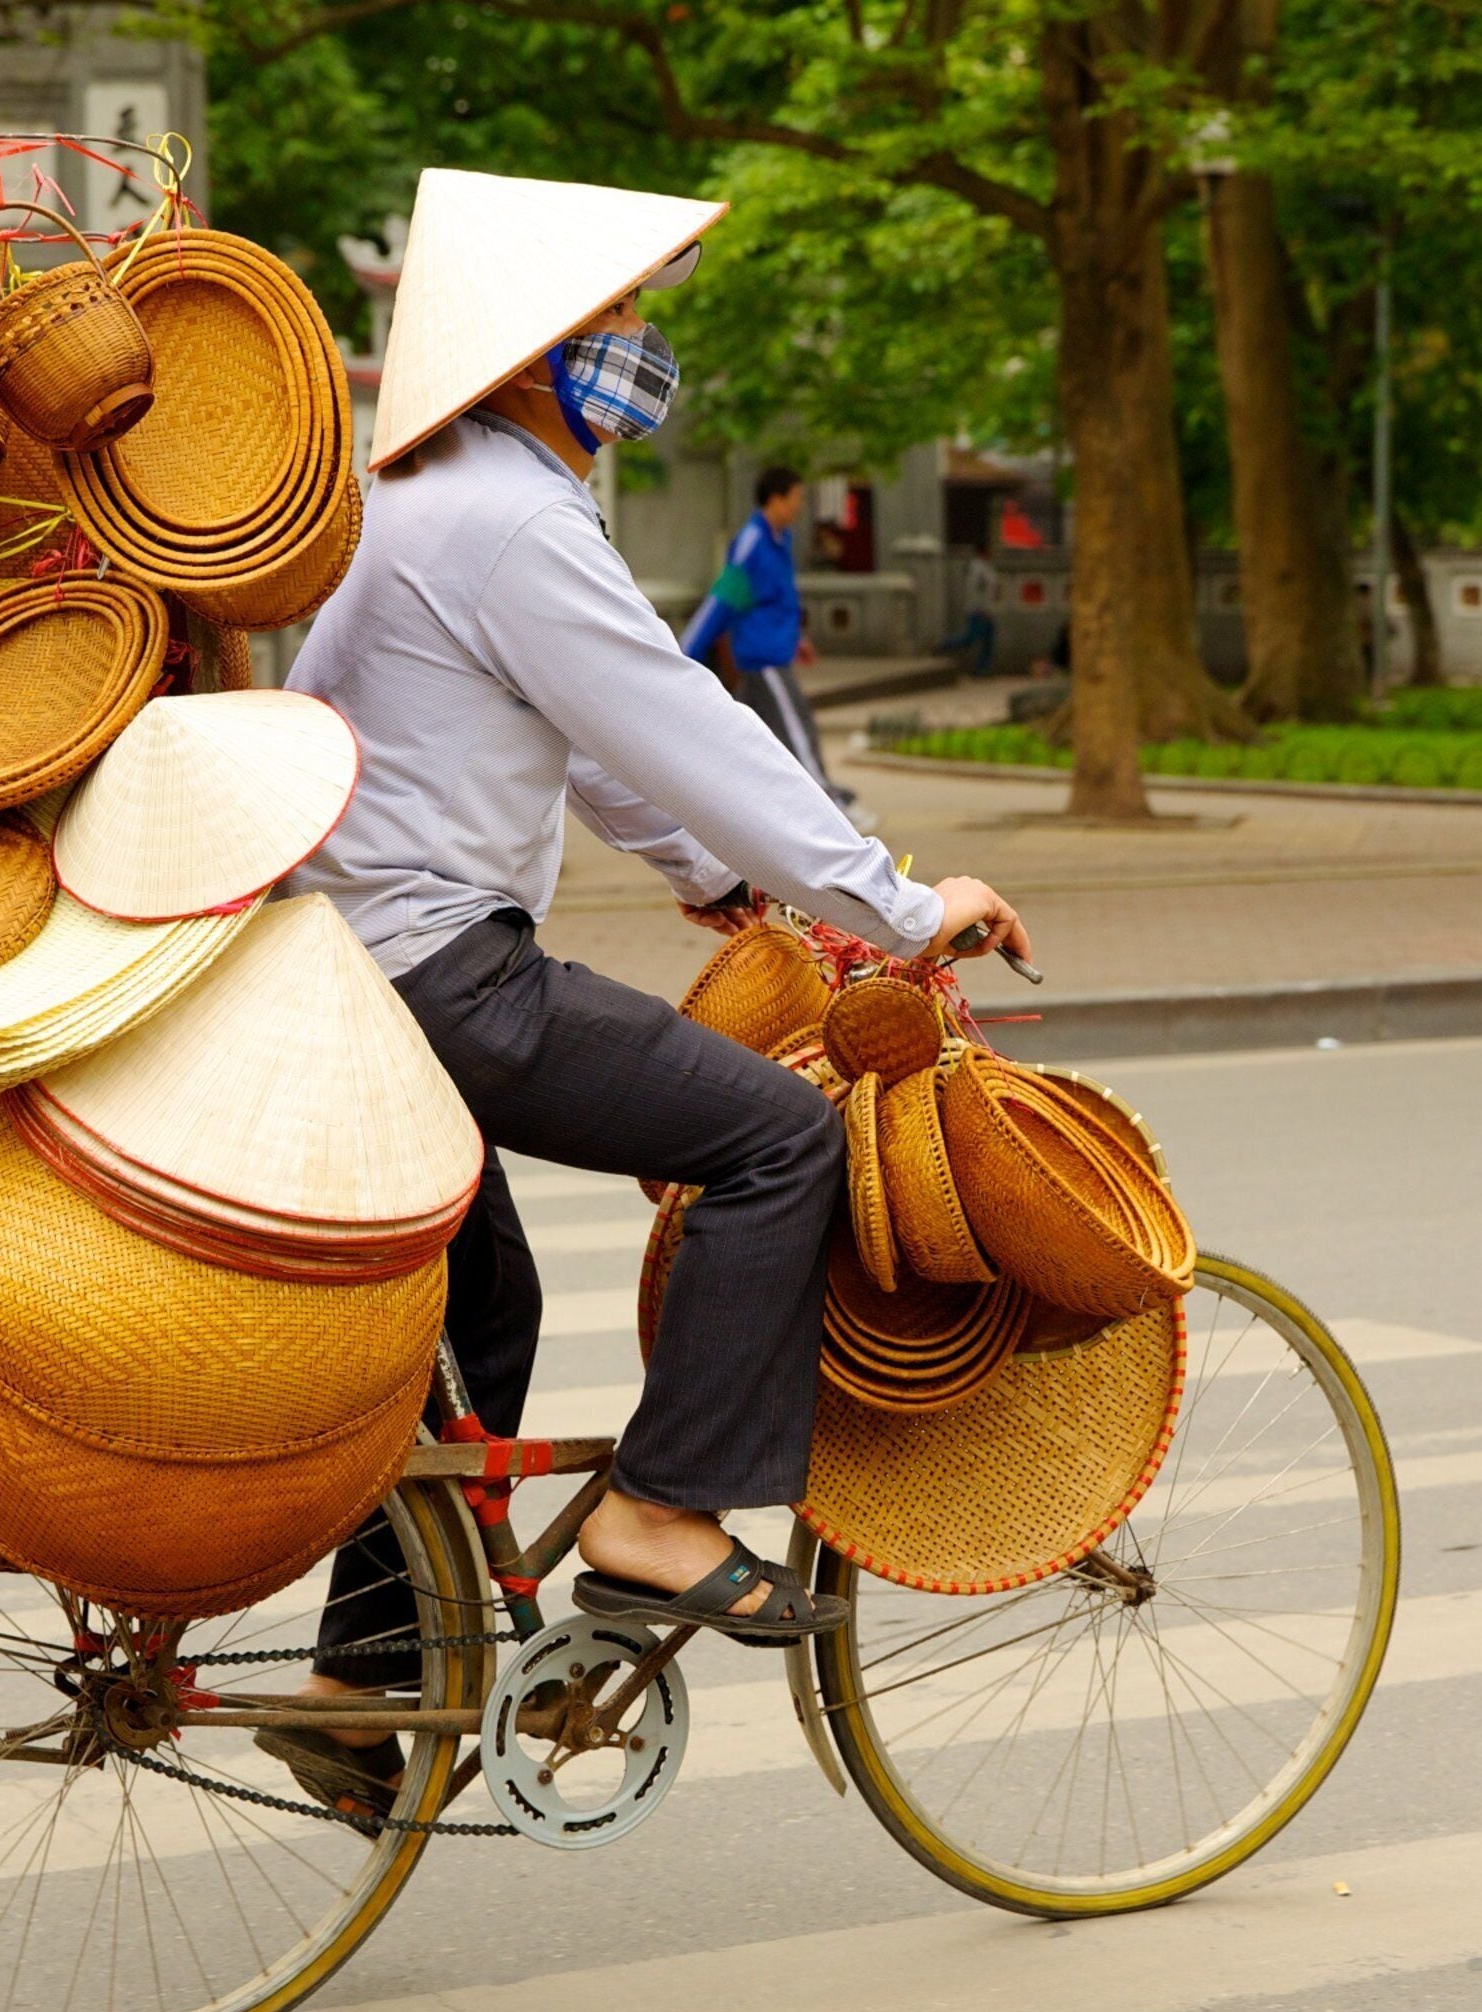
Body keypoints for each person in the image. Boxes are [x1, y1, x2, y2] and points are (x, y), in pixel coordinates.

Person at [266, 169, 1033, 1825]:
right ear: (541, 353)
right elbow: (684, 730)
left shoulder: (426, 494)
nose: (639, 344)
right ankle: (661, 1514)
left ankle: (355, 1689)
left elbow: (605, 750)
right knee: (772, 1142)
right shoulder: (516, 519)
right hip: (436, 971)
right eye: (613, 320)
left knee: (487, 1308)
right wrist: (898, 908)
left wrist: (713, 878)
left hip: (337, 977)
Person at [686, 465, 861, 819]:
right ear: (776, 498)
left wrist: (798, 637)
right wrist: (685, 649)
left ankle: (720, 806)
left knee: (740, 739)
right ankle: (830, 806)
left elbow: (780, 597)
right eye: (797, 497)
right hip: (761, 655)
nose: (800, 505)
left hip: (773, 648)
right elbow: (725, 598)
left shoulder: (780, 540)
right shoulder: (753, 541)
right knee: (796, 728)